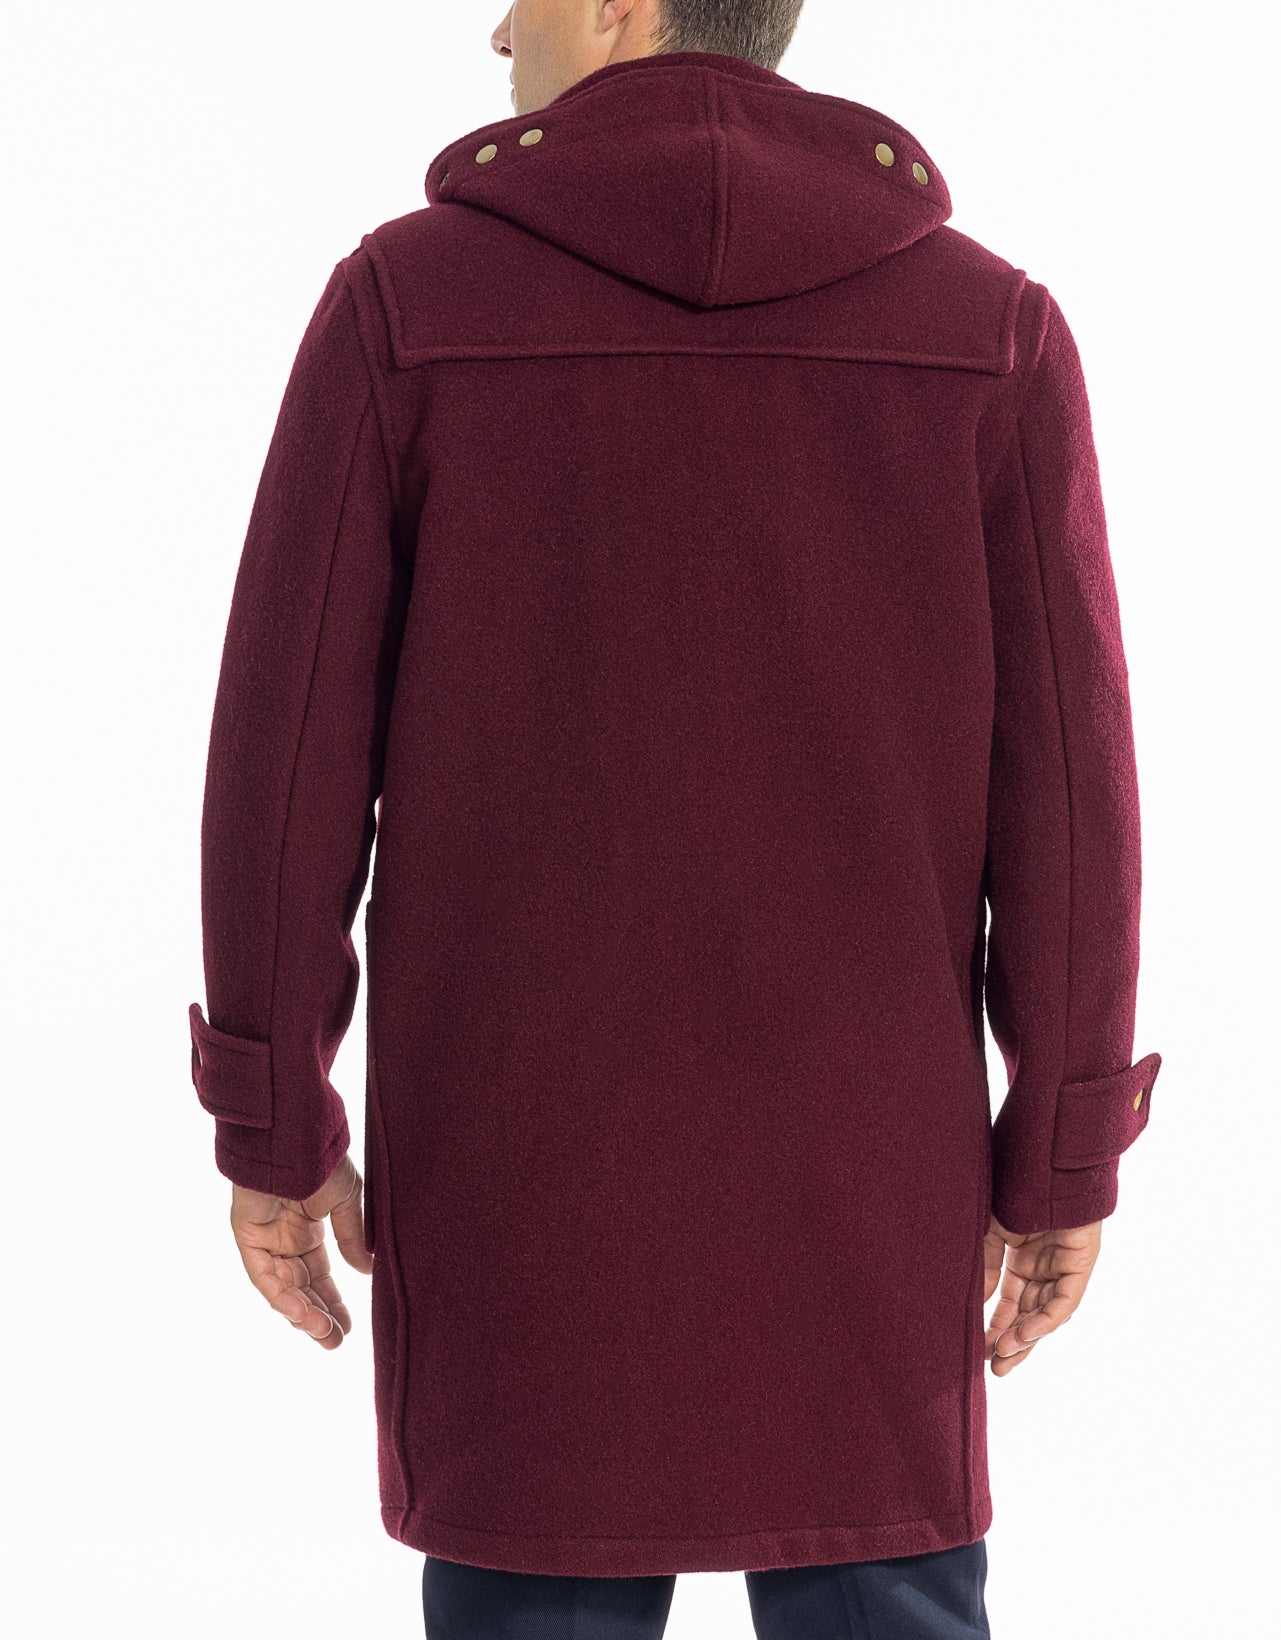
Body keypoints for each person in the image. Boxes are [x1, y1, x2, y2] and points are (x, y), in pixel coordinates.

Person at [185, 2, 1163, 1635]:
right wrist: (1061, 1148)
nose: (496, 29)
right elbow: (1071, 786)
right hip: (865, 1179)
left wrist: (272, 1114)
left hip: (519, 1180)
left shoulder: (406, 306)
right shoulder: (984, 326)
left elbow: (286, 756)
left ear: (617, 4)